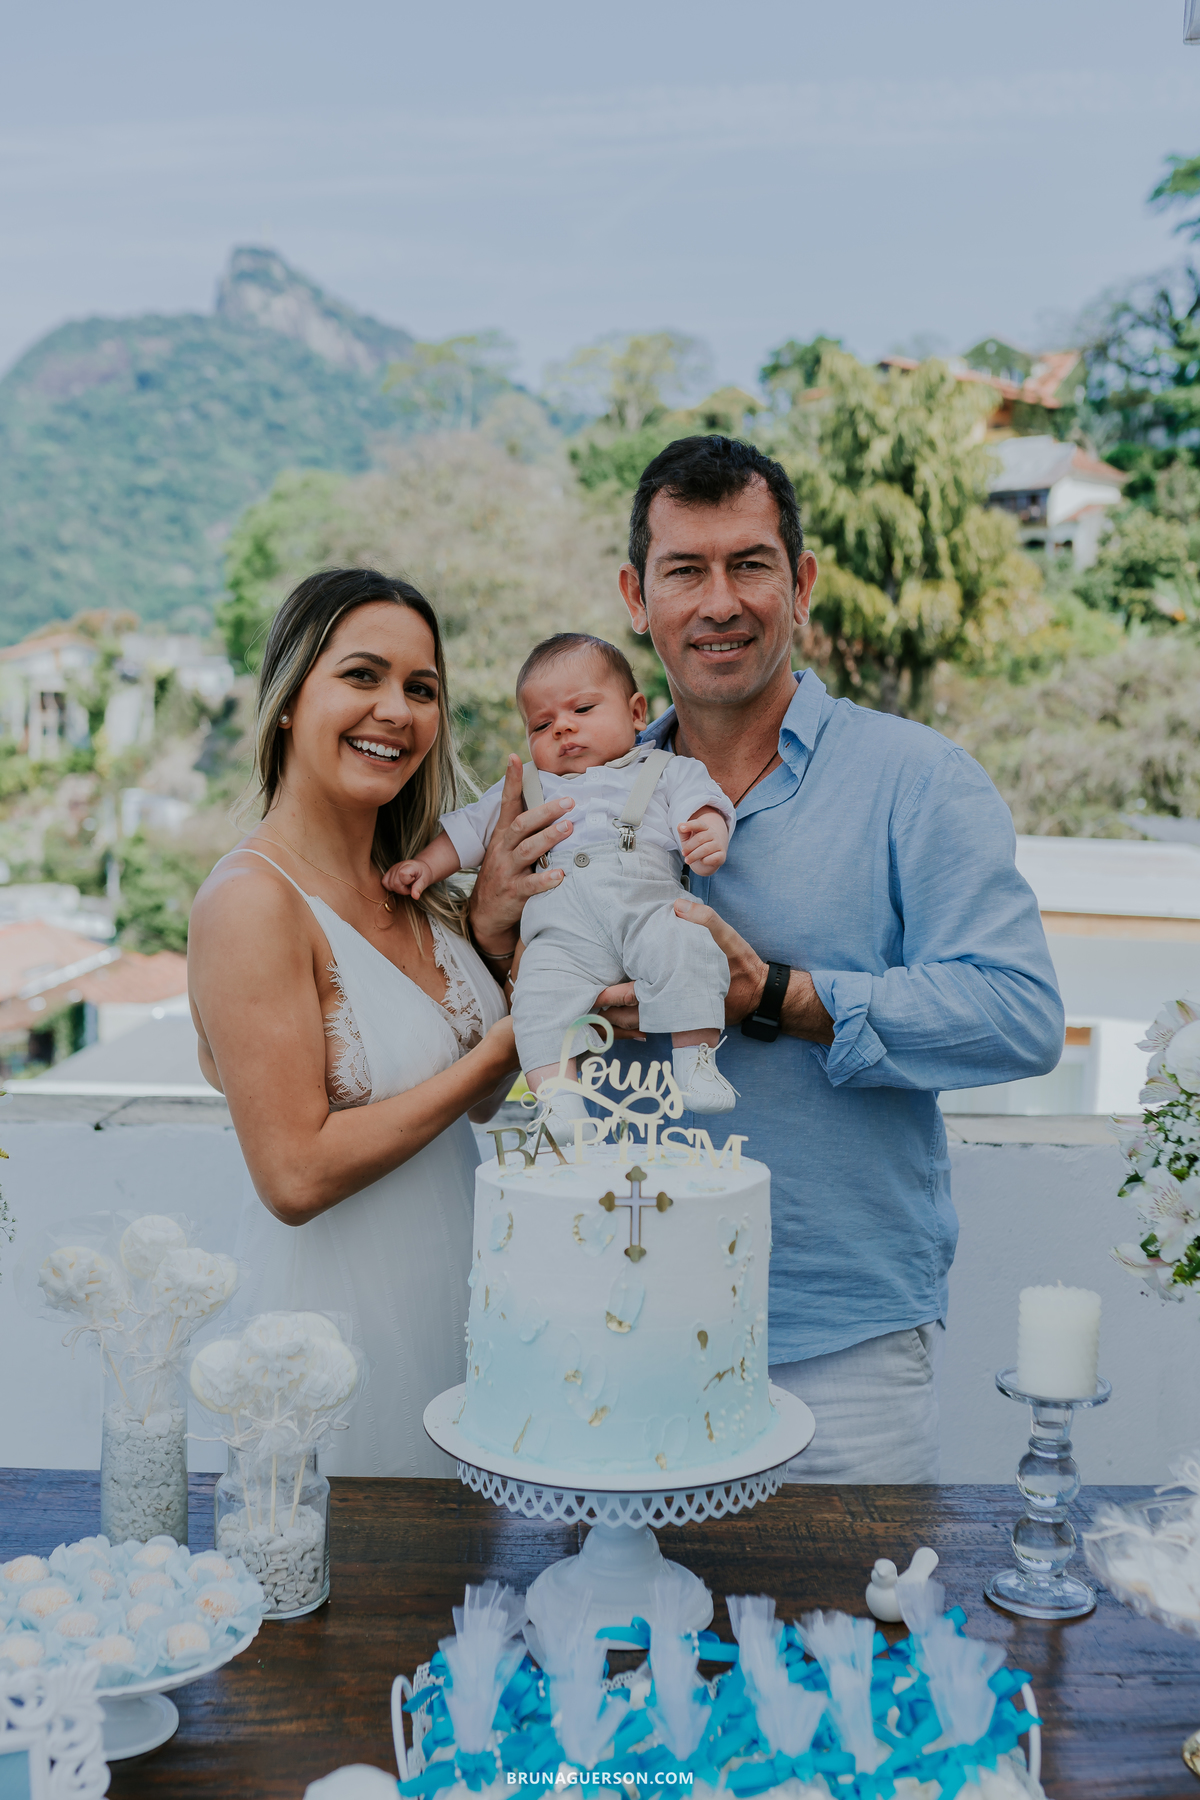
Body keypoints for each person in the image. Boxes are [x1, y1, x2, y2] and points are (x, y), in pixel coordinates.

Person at [465, 436, 1065, 1484]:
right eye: (684, 570)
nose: (720, 601)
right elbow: (481, 1037)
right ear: (634, 597)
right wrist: (492, 931)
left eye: (749, 565)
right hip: (606, 1322)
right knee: (611, 1649)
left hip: (838, 1355)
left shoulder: (915, 780)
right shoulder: (556, 803)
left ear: (801, 582)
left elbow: (1018, 1015)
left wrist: (780, 997)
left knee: (849, 1649)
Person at [188, 568, 519, 1476]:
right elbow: (292, 1177)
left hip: (460, 1318)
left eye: (422, 689)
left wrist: (496, 948)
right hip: (337, 1344)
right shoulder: (253, 902)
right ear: (292, 699)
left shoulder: (419, 890)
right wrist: (505, 1041)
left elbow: (482, 1107)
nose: (397, 712)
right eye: (362, 676)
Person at [383, 631, 737, 1120]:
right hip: (563, 933)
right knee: (537, 995)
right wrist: (425, 865)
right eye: (541, 724)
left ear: (636, 713)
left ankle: (694, 1062)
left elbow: (705, 803)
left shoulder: (665, 769)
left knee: (691, 947)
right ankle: (558, 1100)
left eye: (583, 710)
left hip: (648, 910)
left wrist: (708, 835)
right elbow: (471, 831)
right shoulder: (531, 784)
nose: (562, 730)